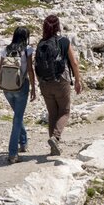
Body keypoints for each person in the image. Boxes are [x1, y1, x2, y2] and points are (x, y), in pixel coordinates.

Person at [34, 15, 82, 156]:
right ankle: (55, 138)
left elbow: (36, 65)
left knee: (52, 114)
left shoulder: (41, 43)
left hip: (44, 83)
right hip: (61, 81)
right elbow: (74, 63)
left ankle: (53, 148)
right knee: (65, 111)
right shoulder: (63, 41)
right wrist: (78, 81)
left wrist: (40, 84)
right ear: (58, 26)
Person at [0, 27, 36, 164]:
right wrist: (34, 87)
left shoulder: (6, 49)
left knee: (18, 115)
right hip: (21, 87)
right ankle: (12, 153)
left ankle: (23, 142)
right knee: (17, 118)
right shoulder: (27, 49)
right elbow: (29, 69)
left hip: (6, 88)